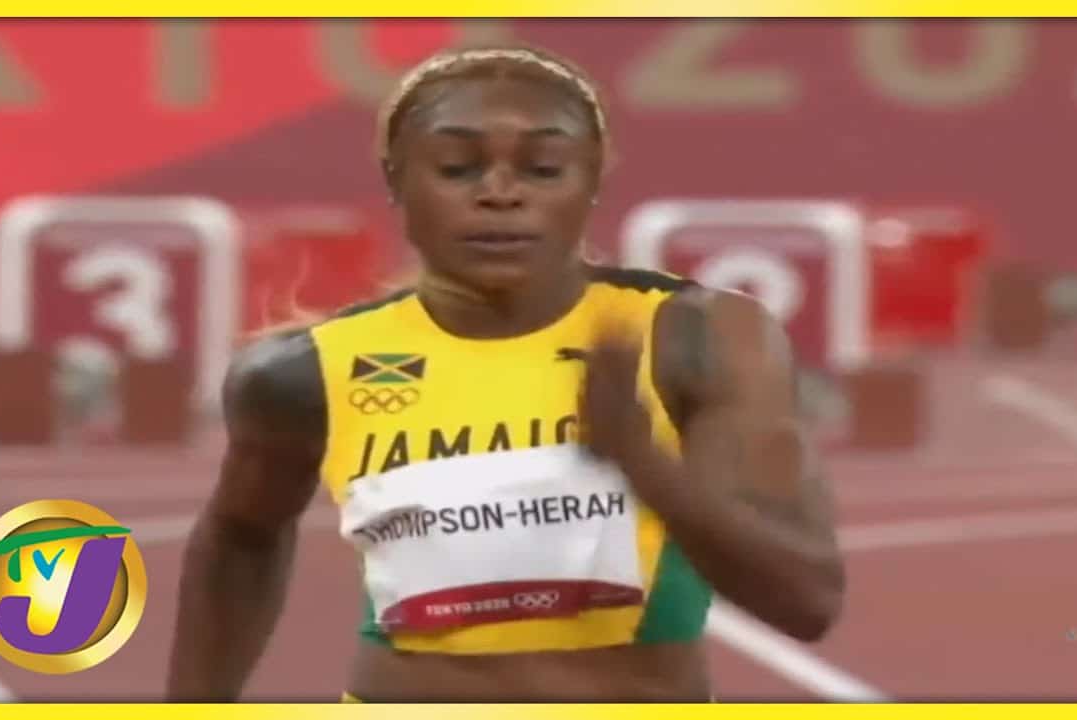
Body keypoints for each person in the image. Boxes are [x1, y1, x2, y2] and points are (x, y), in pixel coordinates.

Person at [166, 43, 845, 703]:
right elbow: (242, 537)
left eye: (543, 168)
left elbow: (806, 600)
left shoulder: (693, 337)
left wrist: (642, 460)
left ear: (593, 178)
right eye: (456, 167)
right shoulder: (303, 373)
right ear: (397, 179)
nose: (499, 193)